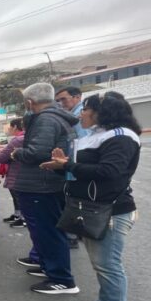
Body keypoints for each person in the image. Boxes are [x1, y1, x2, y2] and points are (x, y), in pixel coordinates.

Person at [41, 93, 141, 301]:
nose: (80, 114)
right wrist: (61, 167)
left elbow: (109, 171)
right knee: (104, 264)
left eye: (85, 109)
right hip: (92, 208)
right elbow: (82, 173)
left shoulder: (121, 137)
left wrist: (66, 166)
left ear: (101, 112)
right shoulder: (96, 136)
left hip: (109, 212)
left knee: (108, 265)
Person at [11, 82, 79, 295]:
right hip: (44, 184)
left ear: (30, 102)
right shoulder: (52, 118)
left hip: (42, 185)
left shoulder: (46, 120)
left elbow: (36, 153)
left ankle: (62, 279)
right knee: (44, 231)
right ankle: (49, 266)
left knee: (48, 231)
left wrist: (16, 154)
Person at [55, 86, 92, 250]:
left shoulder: (79, 117)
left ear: (77, 97)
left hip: (76, 167)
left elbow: (82, 144)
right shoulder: (73, 115)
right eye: (59, 100)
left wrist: (72, 165)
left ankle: (72, 236)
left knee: (74, 202)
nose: (61, 103)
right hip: (73, 167)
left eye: (64, 99)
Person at [0, 118, 26, 227]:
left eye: (10, 126)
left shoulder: (17, 140)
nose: (9, 128)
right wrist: (4, 148)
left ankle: (23, 218)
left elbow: (2, 157)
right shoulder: (26, 137)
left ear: (15, 127)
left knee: (18, 195)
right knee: (17, 196)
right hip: (21, 172)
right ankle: (18, 214)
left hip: (16, 172)